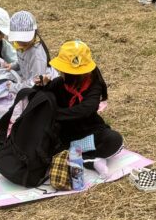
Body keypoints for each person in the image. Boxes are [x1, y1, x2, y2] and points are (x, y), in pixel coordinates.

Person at [41, 40, 123, 177]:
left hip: (89, 131)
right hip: (64, 134)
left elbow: (85, 109)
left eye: (65, 71)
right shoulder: (59, 83)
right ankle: (86, 158)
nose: (61, 73)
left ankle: (76, 155)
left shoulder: (94, 85)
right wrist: (41, 85)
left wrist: (55, 114)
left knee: (114, 140)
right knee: (46, 146)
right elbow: (42, 98)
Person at [9, 10, 57, 87]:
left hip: (43, 87)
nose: (21, 42)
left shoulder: (37, 55)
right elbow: (23, 61)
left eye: (25, 39)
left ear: (34, 33)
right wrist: (12, 66)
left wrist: (14, 87)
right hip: (28, 79)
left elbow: (35, 83)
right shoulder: (20, 46)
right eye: (19, 39)